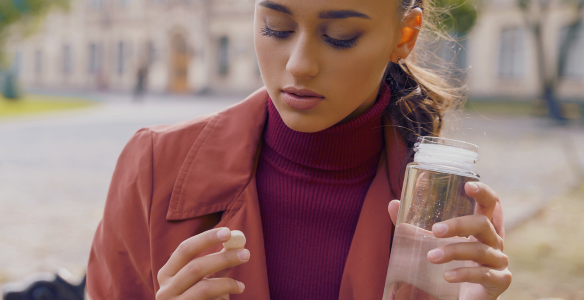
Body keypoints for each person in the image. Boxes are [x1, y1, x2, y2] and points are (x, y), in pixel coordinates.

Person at [86, 0, 512, 299]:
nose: (299, 64)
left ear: (405, 35)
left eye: (340, 36)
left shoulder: (453, 214)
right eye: (276, 27)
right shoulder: (153, 165)